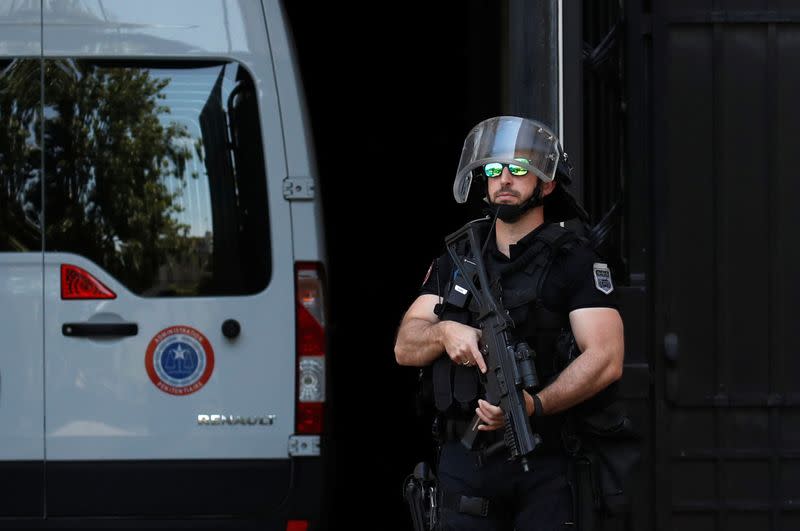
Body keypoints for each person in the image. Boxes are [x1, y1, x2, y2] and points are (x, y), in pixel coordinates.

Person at [395, 116, 625, 530]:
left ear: (547, 183)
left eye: (519, 169)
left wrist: (534, 405)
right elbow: (405, 346)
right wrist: (445, 331)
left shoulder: (574, 260)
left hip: (544, 463)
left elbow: (606, 358)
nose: (504, 178)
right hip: (465, 461)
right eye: (493, 169)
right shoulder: (459, 257)